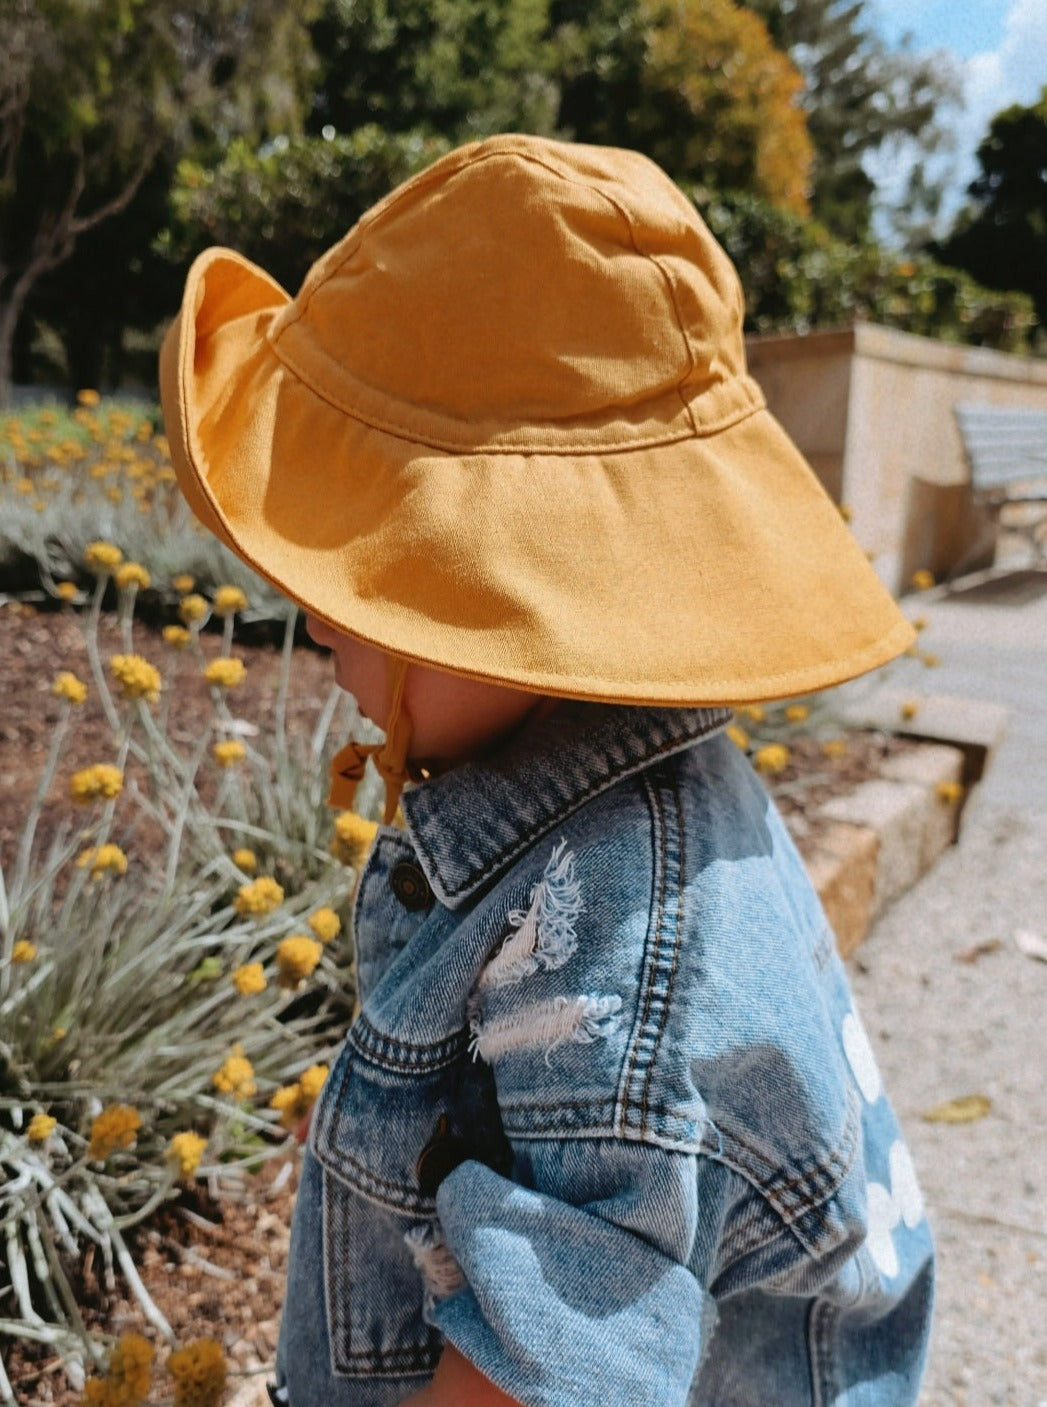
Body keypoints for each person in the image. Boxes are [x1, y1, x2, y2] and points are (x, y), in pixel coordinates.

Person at [159, 133, 933, 1407]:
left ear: (518, 589)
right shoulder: (630, 810)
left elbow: (553, 1372)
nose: (315, 620)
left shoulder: (619, 952)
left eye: (366, 564)